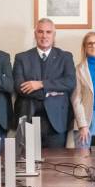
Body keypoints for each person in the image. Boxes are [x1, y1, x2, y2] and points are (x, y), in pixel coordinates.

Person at [14, 18, 76, 148]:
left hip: (57, 121)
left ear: (54, 35)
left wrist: (41, 84)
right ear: (35, 34)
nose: (44, 36)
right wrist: (52, 92)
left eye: (48, 32)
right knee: (29, 165)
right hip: (29, 119)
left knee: (56, 164)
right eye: (40, 32)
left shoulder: (65, 57)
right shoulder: (21, 58)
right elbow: (19, 87)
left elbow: (70, 82)